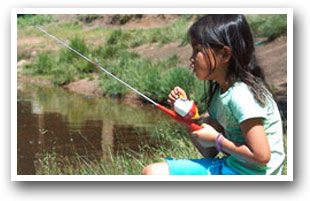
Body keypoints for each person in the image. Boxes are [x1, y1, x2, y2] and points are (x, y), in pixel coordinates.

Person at [142, 14, 285, 175]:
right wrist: (189, 120)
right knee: (152, 172)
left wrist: (217, 140)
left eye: (198, 50)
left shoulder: (242, 95)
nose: (191, 58)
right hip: (233, 167)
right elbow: (208, 152)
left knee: (153, 174)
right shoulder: (220, 93)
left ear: (224, 54)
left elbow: (261, 156)